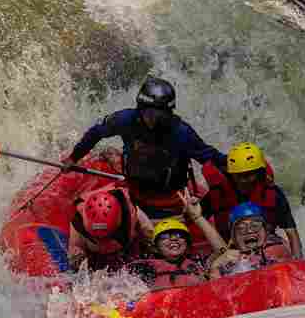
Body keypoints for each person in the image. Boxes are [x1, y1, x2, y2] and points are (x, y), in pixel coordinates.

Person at [65, 76, 227, 219]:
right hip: (134, 190)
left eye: (160, 115)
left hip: (170, 198)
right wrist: (74, 157)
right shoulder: (126, 119)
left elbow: (210, 157)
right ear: (140, 109)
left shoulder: (181, 131)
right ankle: (112, 156)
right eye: (149, 114)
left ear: (169, 113)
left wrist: (233, 168)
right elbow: (96, 133)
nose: (153, 121)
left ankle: (114, 157)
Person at [201, 141, 303, 258]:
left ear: (259, 173)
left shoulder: (273, 194)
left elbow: (291, 231)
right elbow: (198, 218)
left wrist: (298, 260)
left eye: (249, 175)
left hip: (264, 243)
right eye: (238, 175)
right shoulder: (218, 193)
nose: (243, 180)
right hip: (227, 246)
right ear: (231, 174)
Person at [126, 191, 228, 289]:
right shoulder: (144, 268)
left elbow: (224, 253)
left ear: (187, 244)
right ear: (156, 247)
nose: (174, 239)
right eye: (165, 236)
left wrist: (197, 217)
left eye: (179, 235)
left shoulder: (199, 264)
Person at [69, 183, 152, 272]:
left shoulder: (130, 212)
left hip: (127, 246)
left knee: (146, 238)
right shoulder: (78, 223)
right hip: (97, 255)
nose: (104, 240)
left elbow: (148, 233)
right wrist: (77, 258)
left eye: (107, 236)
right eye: (99, 237)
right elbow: (74, 253)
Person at [208, 202, 293, 279]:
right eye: (241, 228)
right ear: (233, 238)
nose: (249, 230)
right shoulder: (227, 259)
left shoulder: (277, 249)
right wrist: (215, 267)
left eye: (255, 226)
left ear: (266, 231)